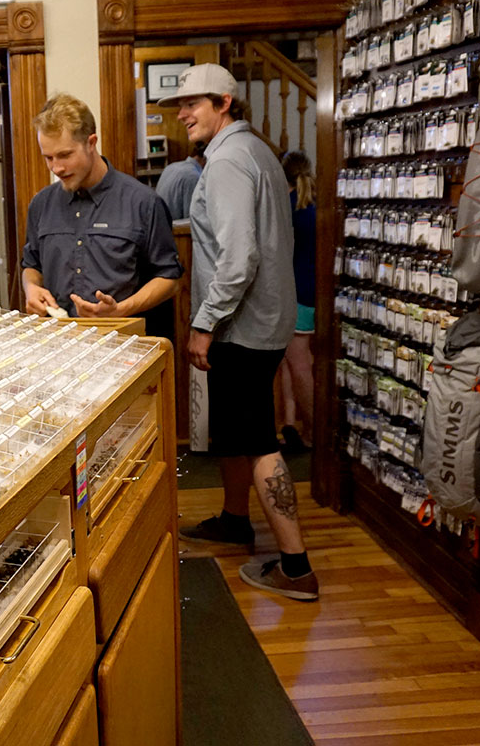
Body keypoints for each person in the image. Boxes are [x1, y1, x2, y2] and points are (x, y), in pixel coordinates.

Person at [160, 63, 318, 601]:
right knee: (236, 429)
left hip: (241, 326)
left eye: (192, 104)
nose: (182, 114)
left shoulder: (227, 161)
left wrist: (203, 325)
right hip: (265, 320)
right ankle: (233, 519)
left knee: (256, 441)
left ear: (224, 102)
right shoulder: (257, 152)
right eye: (180, 106)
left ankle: (296, 567)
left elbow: (238, 259)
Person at [21, 94, 182, 337]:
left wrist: (121, 310)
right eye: (48, 158)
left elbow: (170, 279)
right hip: (61, 343)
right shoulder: (41, 204)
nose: (56, 168)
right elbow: (31, 265)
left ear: (91, 142)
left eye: (65, 155)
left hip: (125, 344)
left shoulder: (143, 202)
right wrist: (31, 288)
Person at [276, 151, 317, 454]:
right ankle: (292, 424)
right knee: (292, 362)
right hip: (312, 292)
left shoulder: (287, 209)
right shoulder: (313, 205)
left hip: (296, 294)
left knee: (300, 364)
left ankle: (315, 432)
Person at [155, 141, 205, 221]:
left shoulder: (171, 167)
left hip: (160, 224)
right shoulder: (193, 176)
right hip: (174, 229)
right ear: (205, 159)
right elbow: (191, 217)